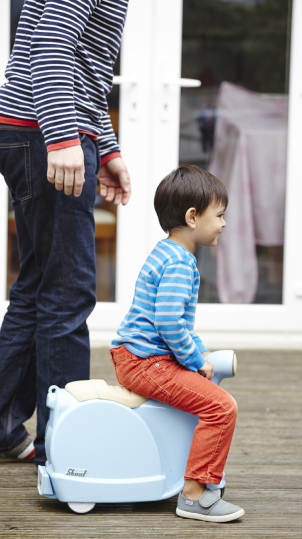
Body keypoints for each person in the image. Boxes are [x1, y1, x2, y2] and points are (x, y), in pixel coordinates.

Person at [0, 0, 131, 466]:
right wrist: (65, 137)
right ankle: (67, 450)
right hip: (42, 131)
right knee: (67, 293)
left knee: (39, 287)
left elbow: (84, 70)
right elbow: (50, 49)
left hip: (29, 127)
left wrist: (105, 148)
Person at [110, 165, 244, 523]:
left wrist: (196, 348)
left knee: (209, 399)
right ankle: (194, 495)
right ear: (192, 216)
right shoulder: (180, 264)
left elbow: (178, 321)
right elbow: (168, 323)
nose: (223, 224)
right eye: (219, 215)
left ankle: (198, 479)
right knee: (221, 407)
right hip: (145, 362)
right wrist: (194, 359)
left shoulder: (167, 253)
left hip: (139, 357)